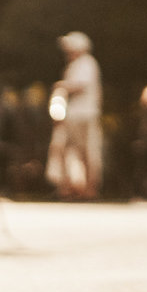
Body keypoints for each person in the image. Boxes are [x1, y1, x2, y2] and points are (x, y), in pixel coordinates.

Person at [45, 31, 104, 200]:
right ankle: (70, 187)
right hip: (73, 115)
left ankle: (90, 189)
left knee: (86, 151)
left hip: (84, 114)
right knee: (67, 150)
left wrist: (62, 86)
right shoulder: (74, 65)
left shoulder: (87, 63)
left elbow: (80, 86)